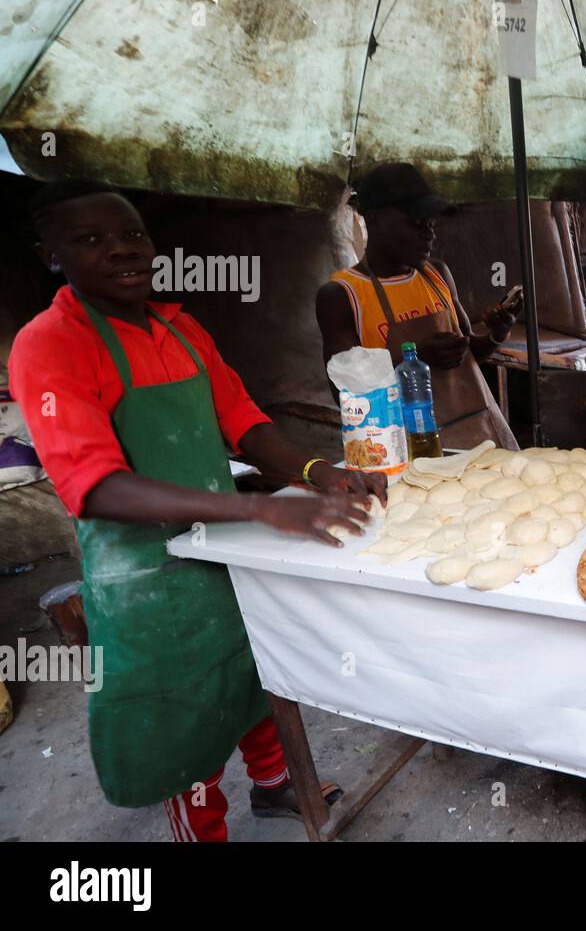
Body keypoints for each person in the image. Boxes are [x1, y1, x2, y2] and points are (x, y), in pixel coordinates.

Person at [9, 180, 386, 840]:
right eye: (91, 240)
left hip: (221, 548)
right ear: (50, 254)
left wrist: (318, 472)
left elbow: (244, 422)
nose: (123, 251)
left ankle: (275, 787)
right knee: (184, 720)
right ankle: (203, 829)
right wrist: (262, 512)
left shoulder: (179, 327)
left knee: (251, 670)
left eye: (132, 234)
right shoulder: (51, 344)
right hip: (147, 580)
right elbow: (95, 487)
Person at [316, 162, 519, 450]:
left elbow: (469, 355)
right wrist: (413, 359)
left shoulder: (437, 275)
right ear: (374, 220)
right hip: (401, 447)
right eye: (416, 222)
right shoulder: (341, 295)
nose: (429, 234)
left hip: (471, 433)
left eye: (431, 224)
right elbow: (344, 393)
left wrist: (497, 334)